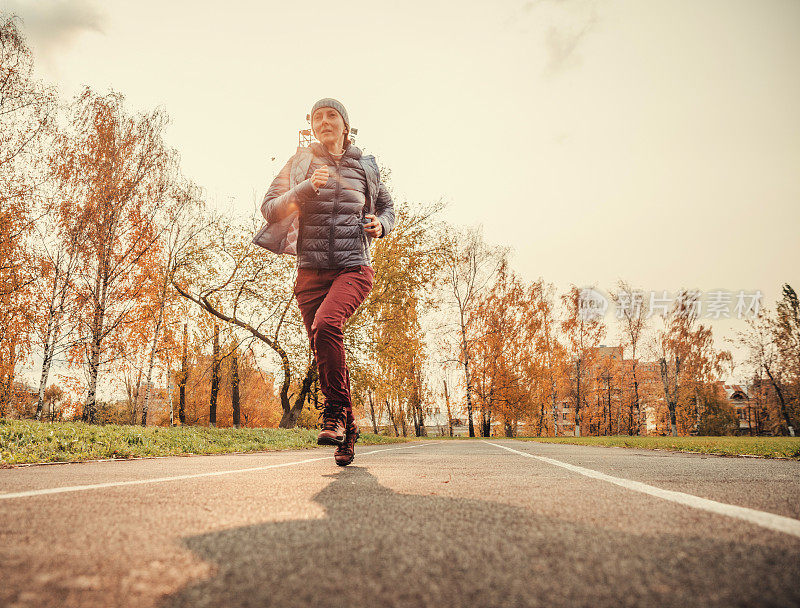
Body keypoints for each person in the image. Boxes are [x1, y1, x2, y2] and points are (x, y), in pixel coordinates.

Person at [259, 98, 395, 466]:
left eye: (331, 114)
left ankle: (333, 416)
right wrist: (304, 187)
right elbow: (270, 207)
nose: (324, 121)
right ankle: (347, 429)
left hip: (354, 265)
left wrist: (382, 225)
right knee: (324, 347)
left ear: (345, 124)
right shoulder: (300, 162)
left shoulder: (366, 165)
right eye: (317, 116)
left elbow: (387, 207)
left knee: (327, 324)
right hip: (310, 270)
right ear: (312, 126)